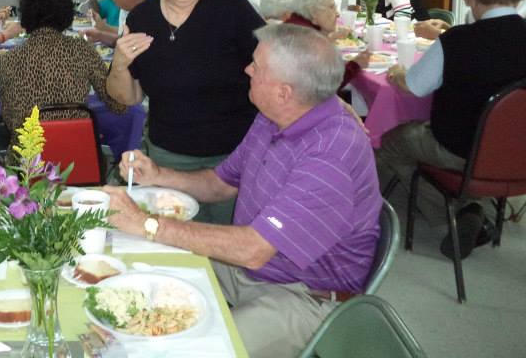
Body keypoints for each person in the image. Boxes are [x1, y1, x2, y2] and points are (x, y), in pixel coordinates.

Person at [102, 23, 382, 358]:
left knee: (187, 352)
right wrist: (159, 175)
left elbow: (253, 249)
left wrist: (147, 223)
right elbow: (220, 184)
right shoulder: (273, 117)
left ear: (284, 92)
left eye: (257, 67)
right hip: (252, 270)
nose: (247, 69)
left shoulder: (330, 154)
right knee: (138, 268)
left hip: (305, 296)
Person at [106, 0, 265, 224]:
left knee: (229, 247)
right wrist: (120, 64)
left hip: (234, 157)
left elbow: (277, 65)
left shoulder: (231, 9)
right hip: (167, 157)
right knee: (174, 245)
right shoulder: (142, 19)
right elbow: (129, 97)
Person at [380, 0, 526, 258]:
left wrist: (397, 75)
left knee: (392, 142)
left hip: (460, 149)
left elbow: (416, 87)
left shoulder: (458, 40)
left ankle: (454, 215)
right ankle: (476, 207)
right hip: (519, 151)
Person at [0, 0, 126, 149]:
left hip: (29, 160)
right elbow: (116, 103)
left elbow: (9, 118)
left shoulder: (7, 60)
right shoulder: (82, 50)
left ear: (25, 18)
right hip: (77, 153)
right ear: (66, 15)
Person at [286, 0, 369, 86]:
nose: (337, 14)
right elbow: (326, 86)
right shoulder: (306, 38)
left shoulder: (295, 24)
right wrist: (356, 65)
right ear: (313, 12)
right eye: (332, 7)